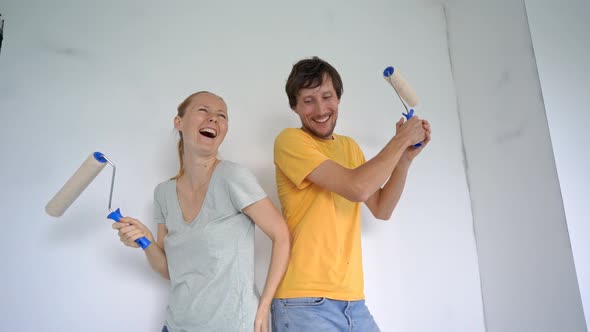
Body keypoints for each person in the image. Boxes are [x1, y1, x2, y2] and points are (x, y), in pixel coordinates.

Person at [271, 57, 431, 331]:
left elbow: (382, 208)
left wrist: (403, 159)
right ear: (294, 106)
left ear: (339, 98)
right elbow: (356, 188)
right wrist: (400, 139)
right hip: (304, 303)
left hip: (353, 302)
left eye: (327, 96)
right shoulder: (290, 142)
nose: (320, 109)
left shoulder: (349, 147)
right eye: (308, 100)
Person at [112, 91, 290, 332]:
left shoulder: (232, 177)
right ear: (179, 122)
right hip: (176, 326)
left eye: (221, 115)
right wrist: (145, 240)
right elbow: (168, 269)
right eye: (203, 110)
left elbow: (281, 235)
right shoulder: (163, 193)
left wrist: (264, 306)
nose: (214, 119)